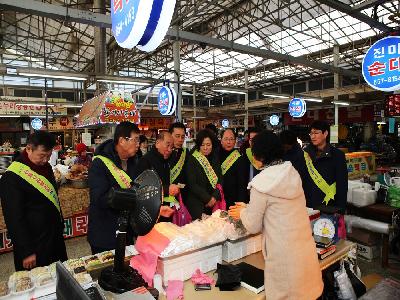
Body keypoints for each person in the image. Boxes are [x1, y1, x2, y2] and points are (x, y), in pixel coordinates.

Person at [228, 131, 323, 300]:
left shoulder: (261, 184)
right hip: (305, 252)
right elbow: (277, 209)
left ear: (260, 155)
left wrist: (243, 212)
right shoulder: (291, 173)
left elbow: (253, 225)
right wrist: (249, 207)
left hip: (283, 258)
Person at [87, 122, 172, 254]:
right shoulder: (100, 163)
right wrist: (127, 198)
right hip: (104, 233)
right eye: (135, 140)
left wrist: (156, 209)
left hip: (126, 232)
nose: (139, 144)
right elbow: (99, 199)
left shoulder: (135, 161)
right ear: (122, 140)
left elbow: (139, 193)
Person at [0, 131, 67, 270]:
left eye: (48, 156)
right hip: (34, 244)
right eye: (42, 155)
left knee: (60, 278)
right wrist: (26, 251)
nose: (45, 160)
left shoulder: (46, 168)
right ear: (29, 148)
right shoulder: (12, 176)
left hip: (53, 237)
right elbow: (14, 218)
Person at [302, 121, 348, 213]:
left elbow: (342, 184)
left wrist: (340, 209)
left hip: (329, 206)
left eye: (316, 133)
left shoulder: (337, 155)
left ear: (325, 133)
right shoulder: (304, 154)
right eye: (311, 133)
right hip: (308, 206)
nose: (313, 136)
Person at [134, 131, 176, 221]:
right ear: (157, 143)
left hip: (165, 211)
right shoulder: (145, 161)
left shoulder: (166, 161)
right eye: (167, 145)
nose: (169, 150)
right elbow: (141, 190)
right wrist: (166, 189)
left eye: (172, 147)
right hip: (149, 214)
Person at [185, 129, 223, 220]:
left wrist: (214, 197)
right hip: (197, 205)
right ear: (198, 145)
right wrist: (208, 199)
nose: (205, 148)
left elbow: (220, 180)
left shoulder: (215, 158)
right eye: (202, 145)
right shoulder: (192, 159)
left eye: (208, 145)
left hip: (213, 204)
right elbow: (192, 184)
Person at [219, 128, 247, 208]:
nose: (229, 142)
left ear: (235, 141)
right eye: (226, 139)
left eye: (231, 139)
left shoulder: (239, 159)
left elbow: (242, 184)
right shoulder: (215, 156)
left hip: (233, 201)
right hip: (217, 199)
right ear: (221, 140)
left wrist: (239, 204)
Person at [243, 127, 262, 201]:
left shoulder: (267, 158)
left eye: (256, 140)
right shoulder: (246, 154)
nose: (253, 142)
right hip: (248, 194)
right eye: (251, 140)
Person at [169, 122, 188, 189]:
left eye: (182, 137)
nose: (180, 140)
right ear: (170, 135)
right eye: (177, 136)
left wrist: (180, 186)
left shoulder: (186, 153)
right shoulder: (162, 152)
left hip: (182, 193)